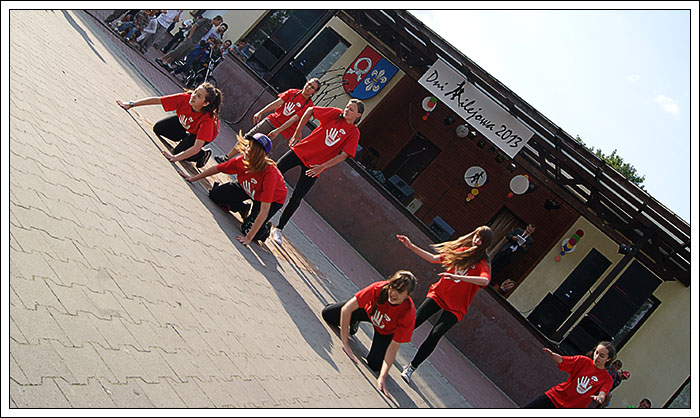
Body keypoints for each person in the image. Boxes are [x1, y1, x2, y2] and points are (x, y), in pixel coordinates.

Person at [395, 226, 494, 383]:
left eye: (481, 239)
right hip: (439, 295)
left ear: (485, 243)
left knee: (435, 335)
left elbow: (484, 281)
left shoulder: (482, 264)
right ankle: (387, 343)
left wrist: (460, 278)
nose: (476, 240)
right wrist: (411, 245)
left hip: (456, 308)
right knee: (414, 321)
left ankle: (411, 368)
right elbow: (433, 258)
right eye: (476, 236)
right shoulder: (462, 251)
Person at [269, 99, 363, 245]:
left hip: (315, 166)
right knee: (272, 172)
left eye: (351, 109)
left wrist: (322, 166)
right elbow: (310, 110)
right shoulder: (335, 114)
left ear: (358, 115)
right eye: (347, 107)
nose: (346, 110)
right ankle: (252, 198)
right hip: (301, 151)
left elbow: (344, 155)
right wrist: (298, 131)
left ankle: (279, 228)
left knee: (296, 197)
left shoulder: (353, 132)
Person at [321, 271, 417, 400]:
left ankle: (354, 323)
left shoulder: (408, 313)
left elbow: (393, 348)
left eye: (399, 292)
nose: (393, 293)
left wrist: (382, 377)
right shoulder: (379, 288)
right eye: (392, 287)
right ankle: (354, 320)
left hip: (384, 330)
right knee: (327, 314)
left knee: (375, 365)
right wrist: (345, 343)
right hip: (366, 312)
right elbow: (347, 309)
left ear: (408, 295)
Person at [181, 133, 287, 245]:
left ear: (259, 155)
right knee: (215, 195)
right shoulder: (241, 160)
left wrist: (248, 238)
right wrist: (193, 178)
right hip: (247, 187)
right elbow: (218, 168)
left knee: (247, 229)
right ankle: (242, 207)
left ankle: (264, 230)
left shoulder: (269, 174)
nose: (247, 150)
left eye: (252, 149)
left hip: (269, 200)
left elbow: (264, 209)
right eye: (248, 146)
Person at [116, 82, 222, 169]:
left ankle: (202, 155)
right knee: (158, 128)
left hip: (199, 135)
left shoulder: (208, 121)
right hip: (185, 122)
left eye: (199, 96)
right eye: (195, 92)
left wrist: (175, 158)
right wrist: (131, 104)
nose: (193, 96)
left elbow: (196, 147)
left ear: (205, 103)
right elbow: (158, 100)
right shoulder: (185, 98)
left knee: (178, 152)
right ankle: (185, 138)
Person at [214, 78, 321, 164]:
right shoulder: (293, 92)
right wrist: (260, 112)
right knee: (249, 137)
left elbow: (294, 119)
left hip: (284, 131)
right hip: (272, 120)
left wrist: (278, 131)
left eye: (312, 88)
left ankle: (247, 171)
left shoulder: (309, 106)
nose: (308, 87)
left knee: (263, 152)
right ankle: (226, 157)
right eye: (309, 84)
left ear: (314, 92)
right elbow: (277, 103)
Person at [524, 342, 616, 408]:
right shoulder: (583, 361)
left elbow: (603, 391)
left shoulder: (607, 379)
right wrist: (553, 355)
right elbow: (564, 360)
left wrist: (600, 397)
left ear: (608, 359)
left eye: (602, 356)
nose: (597, 357)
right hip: (557, 396)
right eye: (596, 353)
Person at [156, 15, 223, 67]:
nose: (218, 24)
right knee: (178, 50)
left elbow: (203, 35)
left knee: (181, 54)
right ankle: (161, 58)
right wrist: (190, 36)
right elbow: (195, 25)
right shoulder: (205, 20)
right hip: (191, 38)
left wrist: (197, 42)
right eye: (219, 22)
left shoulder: (210, 27)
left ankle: (167, 62)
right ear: (216, 19)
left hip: (195, 42)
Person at [491, 223, 535, 291]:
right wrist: (512, 237)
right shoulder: (518, 230)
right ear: (526, 227)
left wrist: (523, 247)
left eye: (530, 231)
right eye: (528, 229)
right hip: (506, 249)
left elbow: (526, 251)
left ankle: (489, 277)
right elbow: (507, 236)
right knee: (494, 261)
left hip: (512, 254)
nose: (528, 231)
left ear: (532, 232)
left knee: (499, 267)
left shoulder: (530, 240)